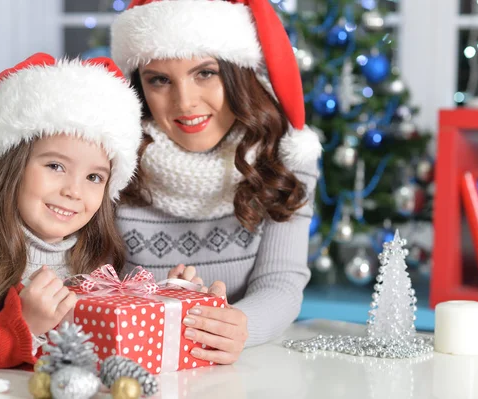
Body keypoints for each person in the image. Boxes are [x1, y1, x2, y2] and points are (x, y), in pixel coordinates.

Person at [0, 53, 144, 379]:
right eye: (55, 166)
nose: (74, 191)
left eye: (94, 177)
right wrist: (21, 327)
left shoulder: (97, 262)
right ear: (11, 168)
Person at [110, 0, 322, 364]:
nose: (185, 102)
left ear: (238, 73)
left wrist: (238, 324)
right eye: (159, 80)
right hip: (133, 363)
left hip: (240, 370)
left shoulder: (284, 159)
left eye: (205, 73)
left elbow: (280, 284)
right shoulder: (114, 159)